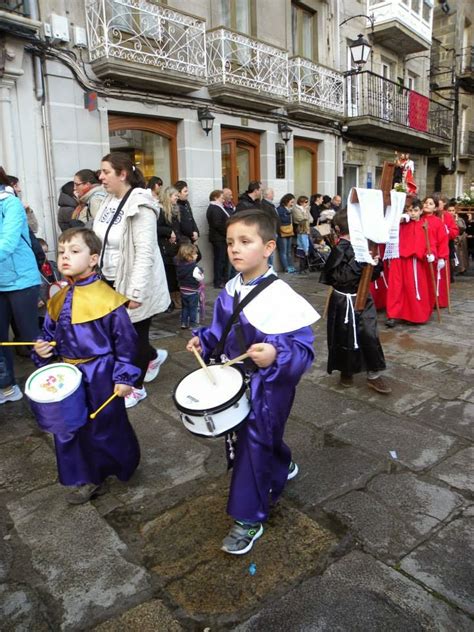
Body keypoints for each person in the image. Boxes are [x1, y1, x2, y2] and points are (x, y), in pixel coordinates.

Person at [186, 209, 318, 554]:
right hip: (235, 382)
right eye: (230, 242)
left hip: (268, 387)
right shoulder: (231, 288)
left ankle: (248, 518)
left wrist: (277, 355)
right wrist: (204, 339)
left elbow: (303, 349)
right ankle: (280, 463)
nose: (234, 249)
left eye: (245, 241)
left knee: (252, 445)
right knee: (255, 441)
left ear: (269, 247)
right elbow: (220, 331)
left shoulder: (282, 297)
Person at [33, 228, 141, 504]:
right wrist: (43, 350)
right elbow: (49, 335)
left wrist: (125, 375)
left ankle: (118, 464)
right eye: (62, 251)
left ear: (93, 259)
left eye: (74, 251)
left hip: (101, 374)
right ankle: (88, 476)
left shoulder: (108, 300)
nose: (65, 256)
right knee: (68, 427)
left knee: (105, 425)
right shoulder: (57, 299)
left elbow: (126, 343)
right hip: (67, 376)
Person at [94, 152, 169, 409]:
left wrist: (135, 292)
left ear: (122, 174)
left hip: (134, 281)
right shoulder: (107, 200)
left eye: (105, 172)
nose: (100, 177)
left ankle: (136, 387)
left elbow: (145, 251)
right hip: (108, 279)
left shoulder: (140, 203)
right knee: (119, 335)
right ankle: (153, 357)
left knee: (132, 337)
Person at [320, 208, 391, 394]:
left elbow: (370, 276)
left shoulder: (365, 246)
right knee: (344, 337)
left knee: (369, 334)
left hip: (363, 298)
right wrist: (362, 263)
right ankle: (346, 371)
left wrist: (375, 264)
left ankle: (374, 374)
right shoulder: (340, 248)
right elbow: (340, 278)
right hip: (344, 301)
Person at [0, 166, 41, 404]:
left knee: (29, 335)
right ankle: (6, 385)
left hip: (21, 279)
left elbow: (8, 240)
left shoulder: (9, 202)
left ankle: (48, 382)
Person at [385, 199, 433, 326]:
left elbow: (430, 242)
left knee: (413, 287)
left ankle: (413, 314)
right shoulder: (401, 223)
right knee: (396, 287)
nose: (412, 213)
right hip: (398, 258)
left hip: (414, 260)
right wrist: (400, 218)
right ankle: (393, 315)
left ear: (421, 211)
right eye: (410, 210)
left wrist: (430, 253)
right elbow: (389, 227)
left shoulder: (424, 225)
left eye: (415, 211)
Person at [421, 196, 449, 309]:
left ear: (435, 208)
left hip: (432, 254)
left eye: (431, 203)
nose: (427, 205)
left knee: (431, 280)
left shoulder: (438, 222)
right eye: (426, 202)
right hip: (419, 254)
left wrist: (442, 257)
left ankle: (431, 302)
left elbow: (443, 241)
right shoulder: (418, 219)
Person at [157, 185, 181, 308]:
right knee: (169, 275)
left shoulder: (175, 209)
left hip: (174, 247)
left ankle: (177, 298)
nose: (177, 197)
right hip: (165, 248)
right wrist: (169, 232)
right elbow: (156, 228)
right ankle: (170, 301)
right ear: (168, 196)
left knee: (175, 274)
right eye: (175, 195)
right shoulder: (160, 211)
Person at [175, 242, 204, 329]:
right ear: (189, 256)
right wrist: (201, 272)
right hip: (192, 291)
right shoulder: (194, 267)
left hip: (183, 290)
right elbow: (199, 277)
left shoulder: (179, 266)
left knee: (185, 308)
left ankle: (183, 323)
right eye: (195, 253)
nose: (196, 255)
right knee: (193, 308)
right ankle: (193, 324)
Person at [206, 189, 230, 288]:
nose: (223, 200)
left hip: (220, 238)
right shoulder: (215, 208)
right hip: (219, 238)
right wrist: (227, 233)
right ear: (215, 197)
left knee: (222, 260)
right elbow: (217, 224)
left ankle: (223, 279)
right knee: (220, 260)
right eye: (222, 197)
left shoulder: (217, 207)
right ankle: (218, 281)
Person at [37, 237, 62, 327]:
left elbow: (63, 280)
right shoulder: (32, 269)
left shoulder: (54, 265)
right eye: (41, 253)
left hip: (57, 306)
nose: (44, 255)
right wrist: (38, 300)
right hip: (42, 309)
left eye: (46, 252)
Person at [174, 180, 200, 248]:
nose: (187, 193)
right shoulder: (175, 206)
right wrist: (192, 234)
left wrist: (196, 232)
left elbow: (191, 219)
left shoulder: (186, 203)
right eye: (185, 191)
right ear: (178, 193)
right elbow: (182, 225)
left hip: (191, 238)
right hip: (183, 241)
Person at [276, 193, 296, 273]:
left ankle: (291, 266)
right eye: (291, 202)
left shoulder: (289, 209)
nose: (292, 204)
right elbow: (281, 221)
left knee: (289, 251)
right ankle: (286, 267)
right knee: (283, 251)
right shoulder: (280, 209)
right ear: (286, 201)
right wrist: (288, 213)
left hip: (289, 231)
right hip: (282, 232)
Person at [293, 195, 311, 274]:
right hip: (302, 229)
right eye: (305, 202)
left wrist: (306, 212)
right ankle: (302, 269)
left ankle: (304, 268)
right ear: (301, 202)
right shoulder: (297, 209)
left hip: (306, 229)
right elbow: (300, 219)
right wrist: (305, 215)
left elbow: (310, 219)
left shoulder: (305, 209)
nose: (307, 204)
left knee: (305, 252)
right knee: (302, 253)